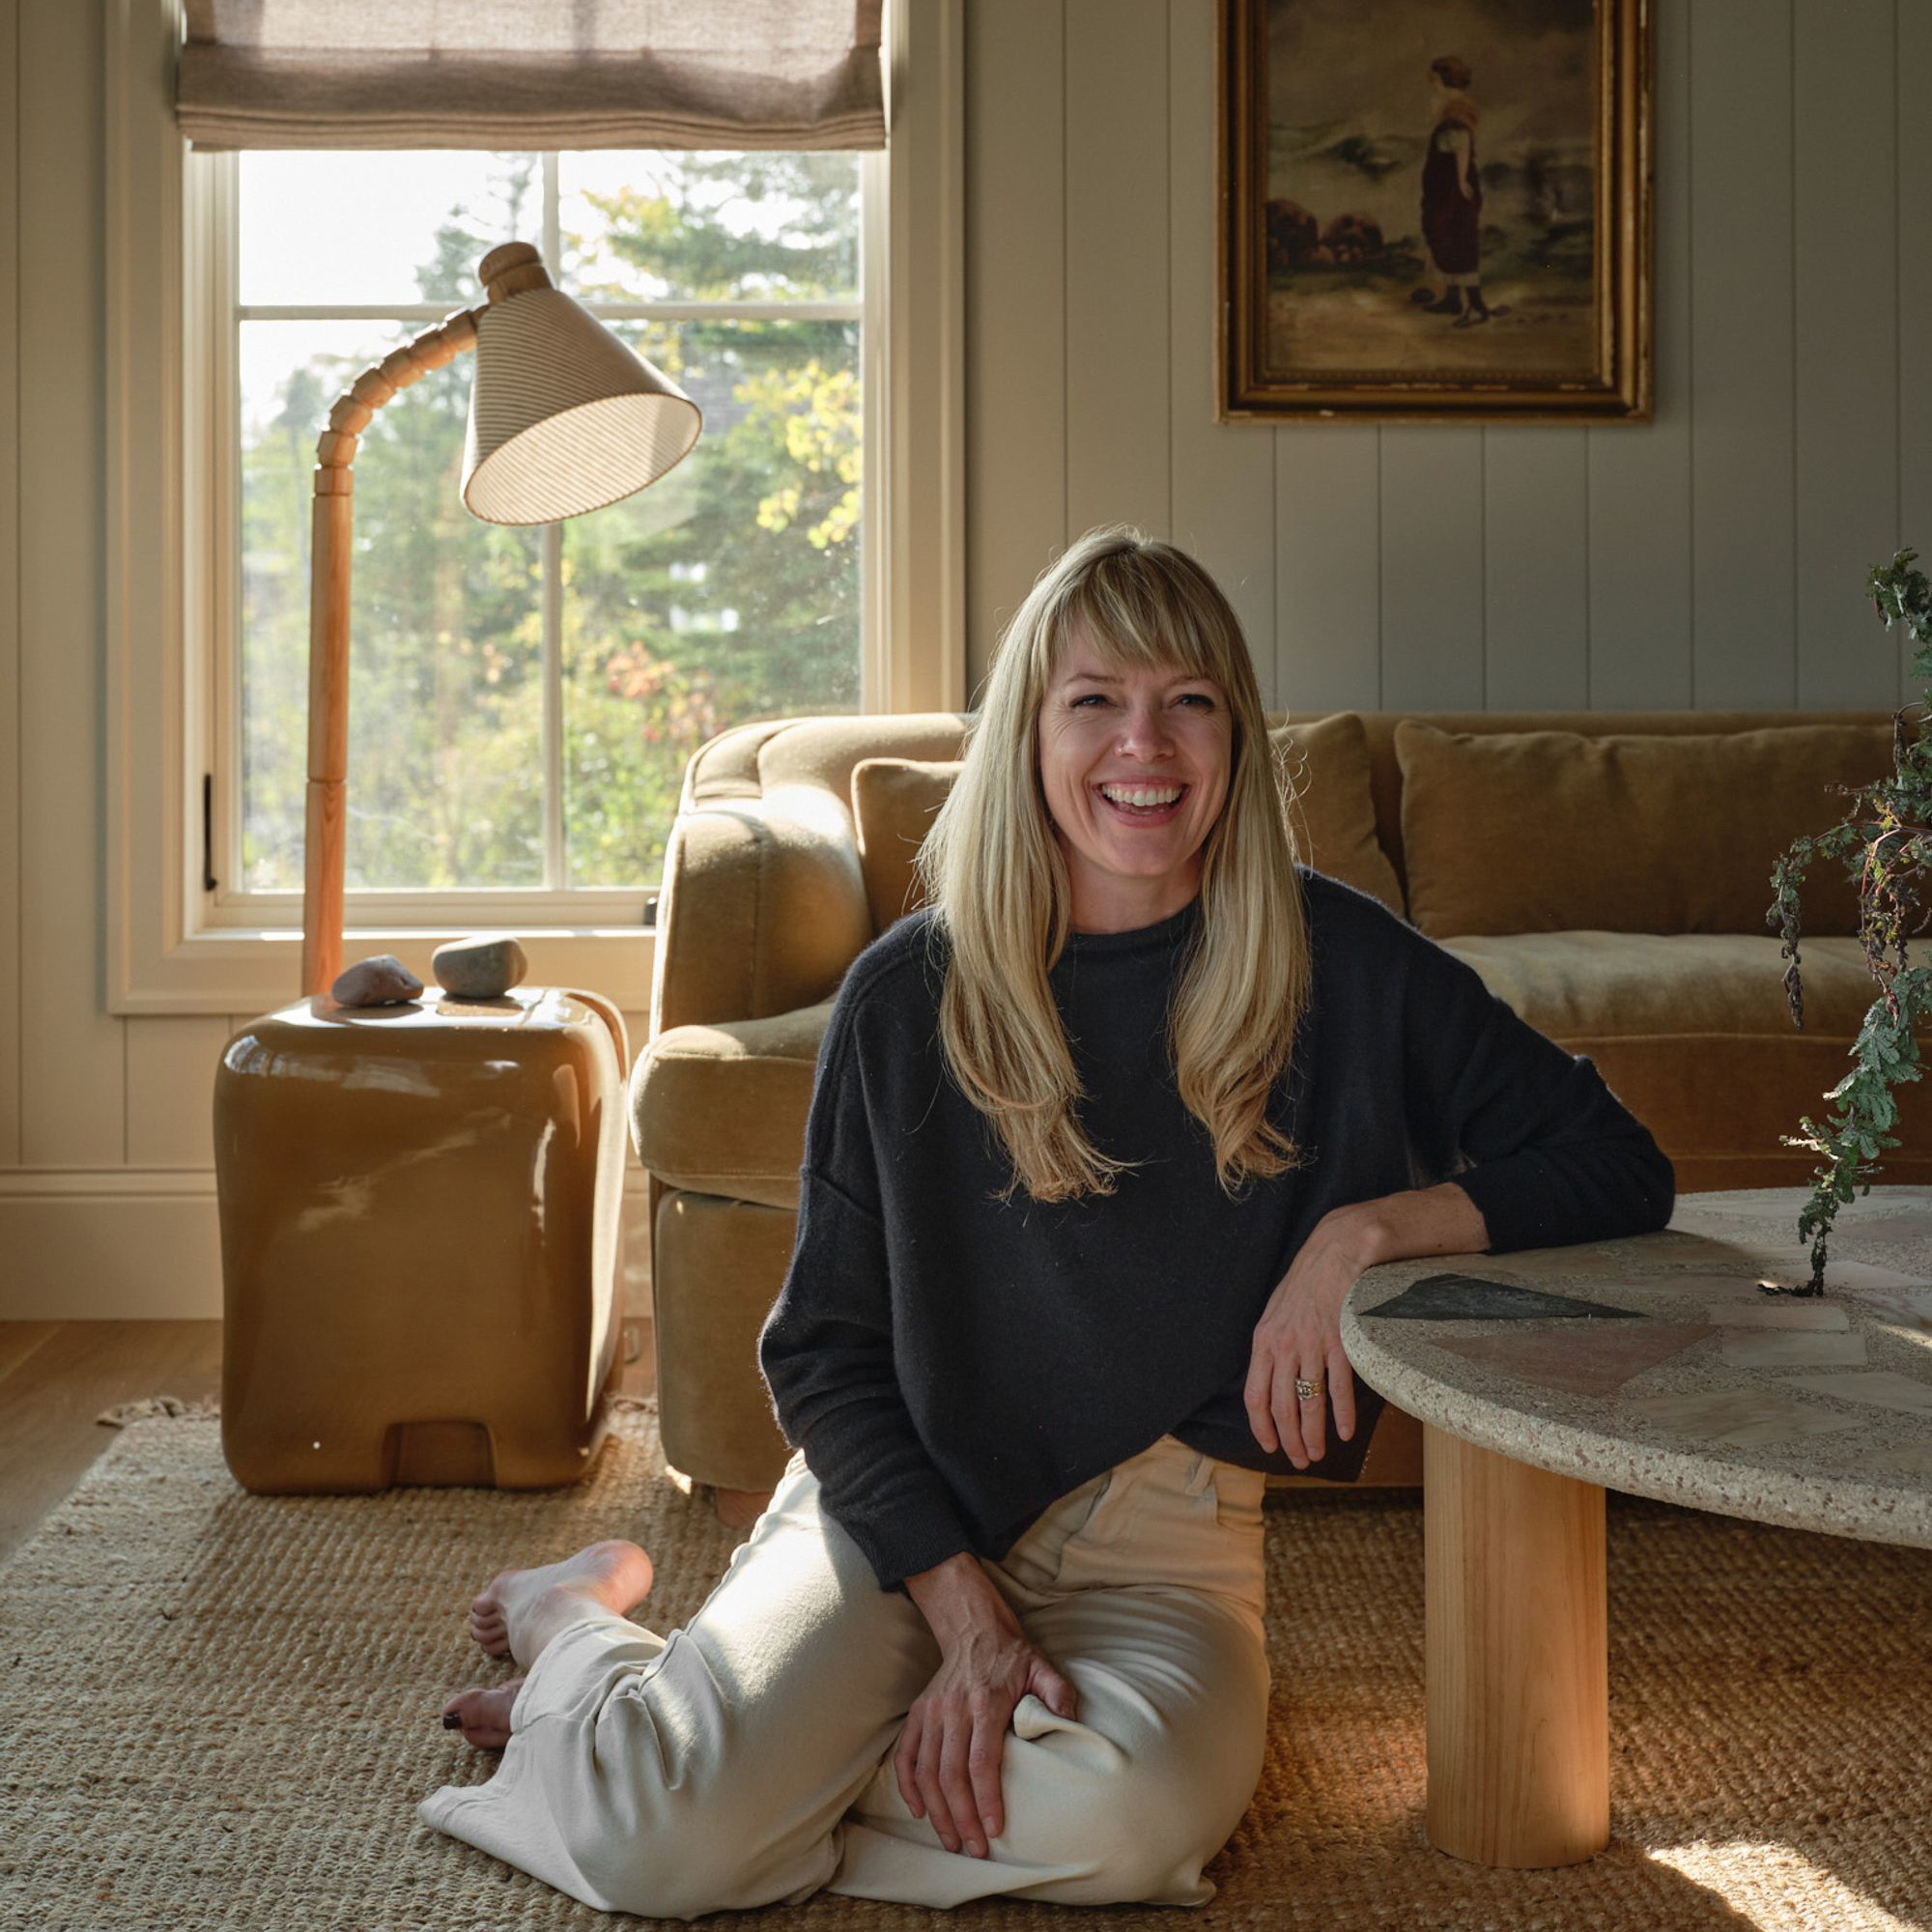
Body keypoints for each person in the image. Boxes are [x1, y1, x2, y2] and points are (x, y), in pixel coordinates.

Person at [419, 527, 1674, 1917]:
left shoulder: (1344, 964)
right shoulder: (911, 997)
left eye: (1188, 700)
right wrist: (966, 1622)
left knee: (1130, 1830)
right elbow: (823, 1353)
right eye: (1096, 700)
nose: (1147, 743)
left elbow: (1613, 1161)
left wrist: (1362, 1235)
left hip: (1169, 1549)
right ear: (1030, 731)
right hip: (897, 1526)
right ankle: (576, 1631)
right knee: (661, 1854)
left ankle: (723, 1764)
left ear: (1237, 737)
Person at [1420, 55, 1489, 327]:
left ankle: (1477, 306)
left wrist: (1461, 182)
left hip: (1453, 186)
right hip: (1444, 183)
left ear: (1446, 81)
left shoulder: (1456, 110)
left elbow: (1461, 146)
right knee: (1443, 234)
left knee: (1456, 237)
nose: (1432, 85)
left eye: (1435, 80)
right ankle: (1451, 299)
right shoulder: (1450, 106)